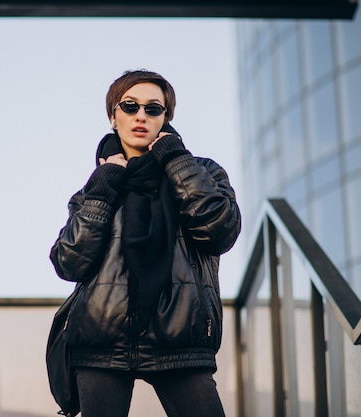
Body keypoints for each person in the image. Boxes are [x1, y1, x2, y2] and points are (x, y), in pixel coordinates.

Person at [49, 69, 241, 417]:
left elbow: (219, 230)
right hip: (102, 341)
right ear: (113, 116)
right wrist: (104, 187)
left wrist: (175, 158)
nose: (141, 115)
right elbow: (69, 262)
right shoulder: (97, 185)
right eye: (130, 105)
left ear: (166, 118)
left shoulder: (203, 171)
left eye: (154, 108)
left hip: (181, 337)